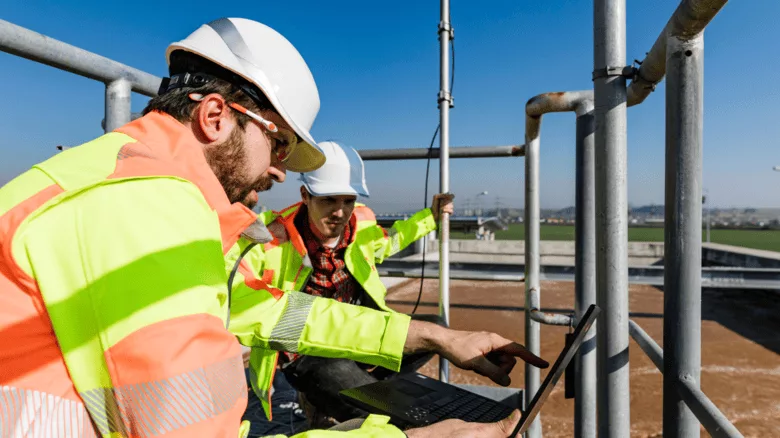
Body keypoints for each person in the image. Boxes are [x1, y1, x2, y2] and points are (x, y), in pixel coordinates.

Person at [0, 18, 545, 438]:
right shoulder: (142, 207)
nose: (280, 168)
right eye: (278, 142)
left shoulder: (126, 184)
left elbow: (274, 310)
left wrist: (439, 335)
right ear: (215, 116)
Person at [236, 140, 452, 427]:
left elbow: (388, 243)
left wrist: (431, 218)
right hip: (307, 351)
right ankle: (342, 398)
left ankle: (344, 392)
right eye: (328, 200)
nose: (339, 212)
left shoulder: (361, 225)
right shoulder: (270, 239)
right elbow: (241, 293)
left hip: (355, 334)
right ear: (305, 195)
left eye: (347, 200)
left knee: (435, 330)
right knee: (383, 410)